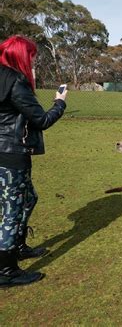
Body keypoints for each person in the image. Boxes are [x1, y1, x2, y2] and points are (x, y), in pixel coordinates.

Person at [0, 35, 67, 288]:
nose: (33, 61)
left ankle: (17, 246)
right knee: (11, 211)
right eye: (32, 57)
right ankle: (6, 269)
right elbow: (42, 120)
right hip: (10, 154)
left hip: (4, 153)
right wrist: (59, 103)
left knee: (28, 198)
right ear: (21, 56)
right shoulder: (15, 81)